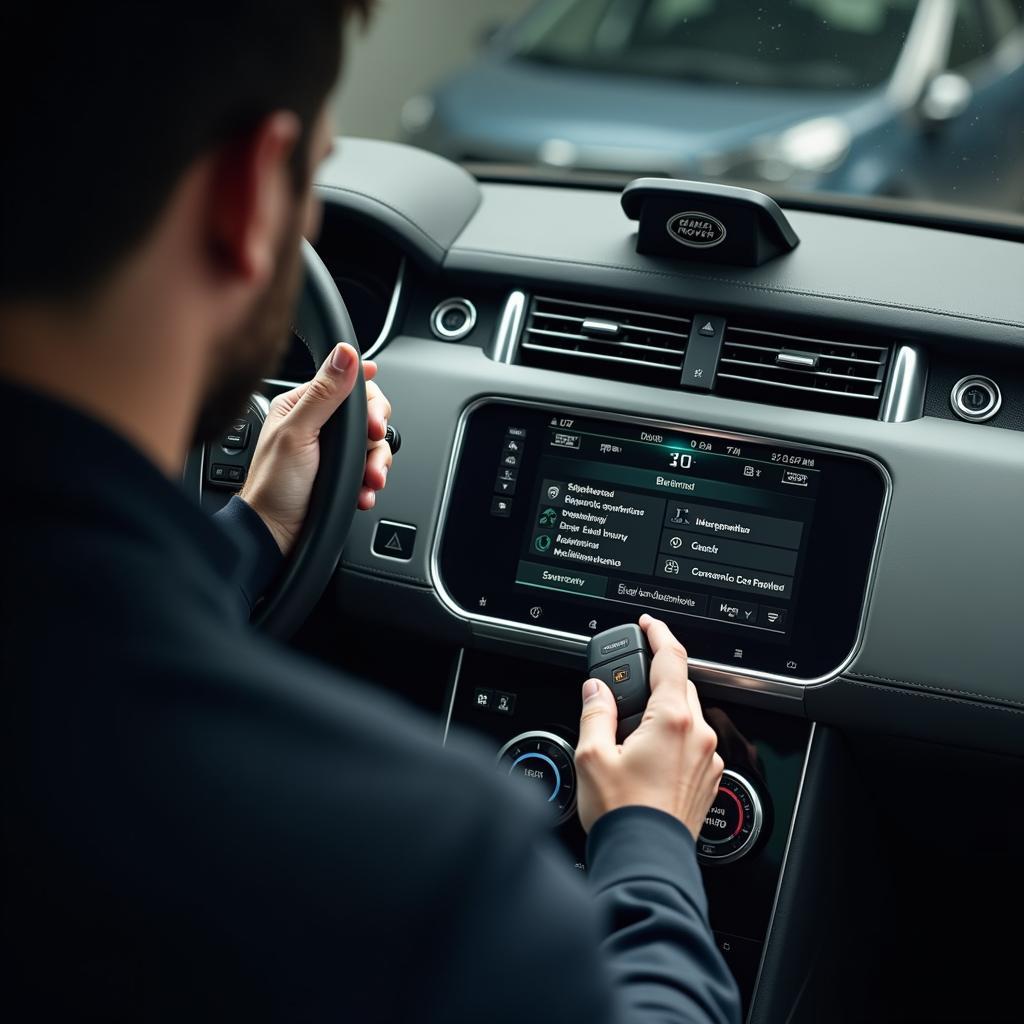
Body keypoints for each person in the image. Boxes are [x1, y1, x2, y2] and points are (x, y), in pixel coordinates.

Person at [0, 4, 740, 1022]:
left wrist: (254, 532)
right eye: (317, 174)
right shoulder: (424, 873)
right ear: (248, 194)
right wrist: (651, 837)